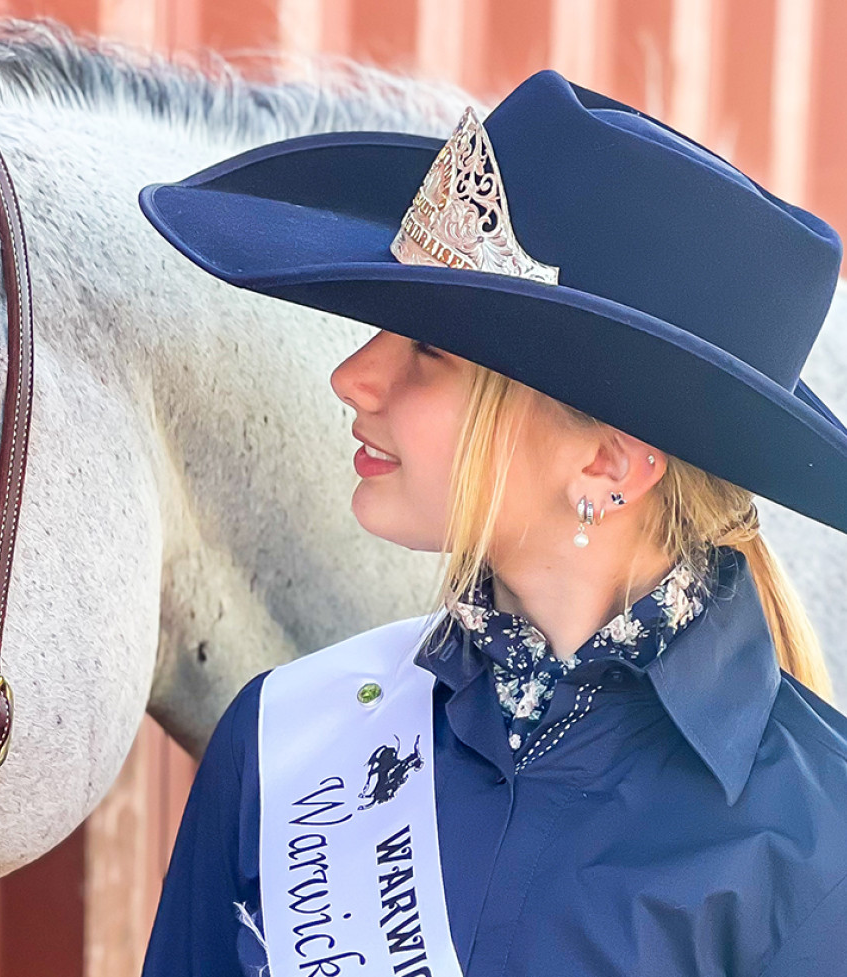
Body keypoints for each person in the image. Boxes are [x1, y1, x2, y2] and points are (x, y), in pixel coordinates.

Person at [135, 69, 847, 976]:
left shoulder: (814, 851)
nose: (354, 376)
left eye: (430, 347)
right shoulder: (282, 739)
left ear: (608, 461)